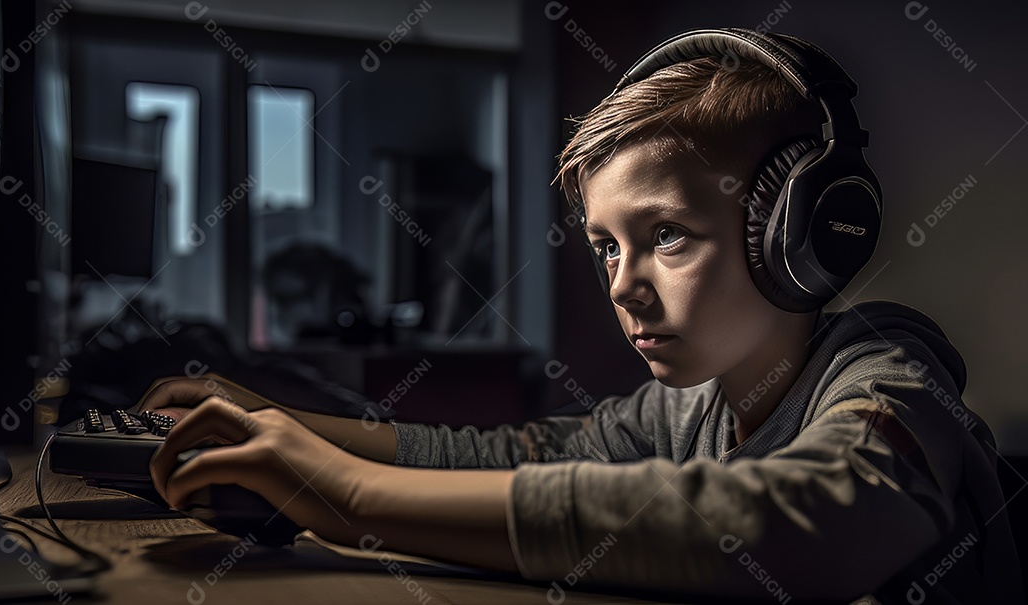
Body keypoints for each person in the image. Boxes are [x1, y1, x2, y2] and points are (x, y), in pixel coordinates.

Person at [145, 29, 1023, 603]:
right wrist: (272, 420)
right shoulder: (688, 408)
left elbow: (825, 518)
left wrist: (352, 496)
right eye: (607, 246)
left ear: (797, 237)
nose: (622, 285)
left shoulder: (888, 368)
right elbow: (508, 457)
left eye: (667, 236)